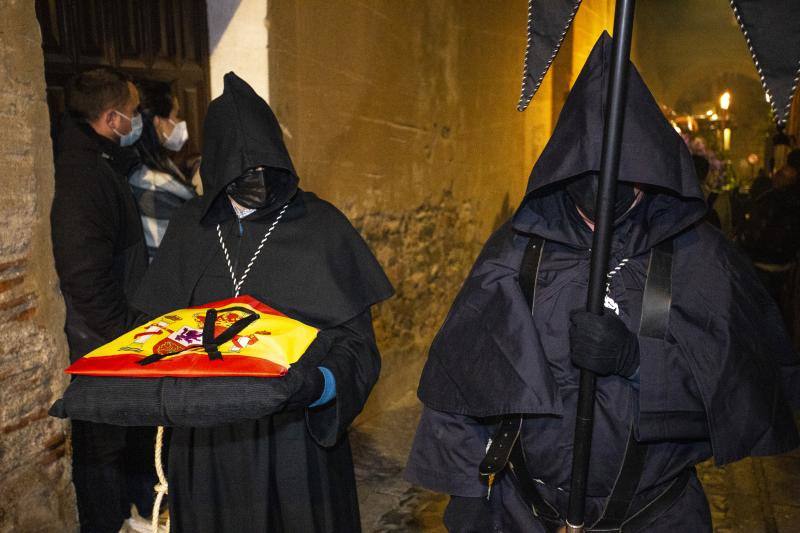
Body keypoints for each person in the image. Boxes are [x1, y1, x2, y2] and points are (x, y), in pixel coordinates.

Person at [405, 33, 799, 533]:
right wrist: (467, 494)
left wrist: (637, 363)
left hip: (653, 516)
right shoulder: (517, 250)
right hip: (522, 513)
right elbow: (468, 374)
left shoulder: (701, 259)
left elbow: (743, 391)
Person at [130, 72, 394, 532]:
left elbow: (359, 350)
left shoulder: (321, 228)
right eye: (240, 171)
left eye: (264, 168)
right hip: (208, 447)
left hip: (294, 444)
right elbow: (154, 328)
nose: (254, 179)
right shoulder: (192, 227)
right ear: (216, 168)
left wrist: (318, 385)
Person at [50, 68, 156, 532]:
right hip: (100, 344)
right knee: (102, 454)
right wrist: (126, 336)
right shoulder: (81, 174)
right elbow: (85, 274)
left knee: (124, 446)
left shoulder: (97, 160)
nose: (136, 122)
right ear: (111, 117)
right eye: (132, 114)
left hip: (113, 336)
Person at [129, 80, 197, 261]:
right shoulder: (151, 184)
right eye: (176, 115)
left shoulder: (156, 164)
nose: (180, 122)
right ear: (158, 122)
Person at [737, 149, 800, 336]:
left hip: (765, 266)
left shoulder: (773, 200)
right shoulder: (779, 198)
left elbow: (754, 234)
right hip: (783, 266)